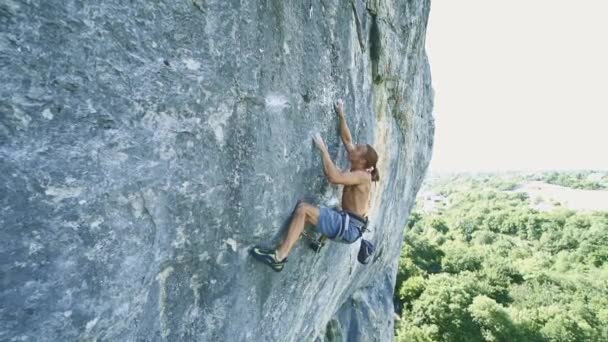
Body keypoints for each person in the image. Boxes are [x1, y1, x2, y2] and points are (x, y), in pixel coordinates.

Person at [250, 99, 380, 272]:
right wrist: (341, 114)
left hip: (348, 227)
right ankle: (282, 253)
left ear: (363, 160)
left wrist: (323, 150)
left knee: (303, 209)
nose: (354, 147)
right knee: (305, 215)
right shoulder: (358, 163)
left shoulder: (363, 176)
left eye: (358, 149)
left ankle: (279, 257)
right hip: (348, 225)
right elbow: (347, 139)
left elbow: (334, 177)